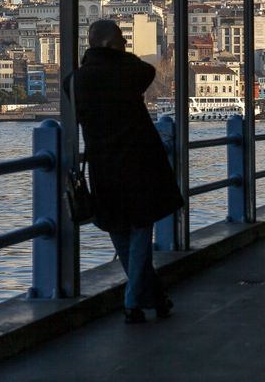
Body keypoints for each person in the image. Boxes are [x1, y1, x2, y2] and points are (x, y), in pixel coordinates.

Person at [65, 19, 183, 324]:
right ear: (110, 44)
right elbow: (147, 71)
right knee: (142, 228)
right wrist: (116, 55)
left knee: (118, 228)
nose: (126, 44)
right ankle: (132, 301)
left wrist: (95, 57)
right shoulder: (129, 70)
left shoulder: (74, 81)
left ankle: (154, 297)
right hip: (138, 162)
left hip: (103, 168)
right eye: (121, 40)